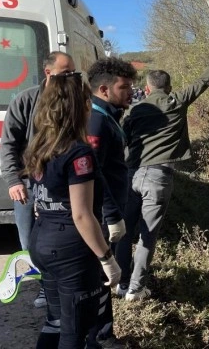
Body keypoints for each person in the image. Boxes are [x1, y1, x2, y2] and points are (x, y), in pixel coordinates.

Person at [115, 35, 209, 301]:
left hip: (132, 175)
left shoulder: (134, 111)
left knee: (125, 233)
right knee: (147, 236)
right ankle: (135, 289)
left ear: (147, 89)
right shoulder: (176, 101)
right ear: (168, 88)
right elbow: (202, 82)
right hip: (158, 177)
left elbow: (123, 141)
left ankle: (121, 283)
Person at [24, 71, 121, 348]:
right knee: (75, 331)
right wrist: (107, 258)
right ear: (79, 107)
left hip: (42, 243)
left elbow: (40, 202)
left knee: (54, 322)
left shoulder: (39, 146)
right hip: (71, 253)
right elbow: (81, 214)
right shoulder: (78, 153)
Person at [0, 52, 76, 308]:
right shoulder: (24, 101)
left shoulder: (72, 102)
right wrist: (13, 180)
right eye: (66, 73)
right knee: (30, 238)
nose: (70, 78)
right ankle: (44, 287)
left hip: (60, 184)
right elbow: (8, 144)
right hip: (28, 184)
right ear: (48, 73)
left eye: (72, 73)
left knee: (62, 237)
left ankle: (61, 286)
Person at [85, 57, 137, 348]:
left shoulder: (107, 115)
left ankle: (104, 334)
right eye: (124, 87)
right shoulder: (96, 120)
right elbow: (94, 173)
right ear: (104, 89)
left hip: (109, 212)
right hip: (102, 216)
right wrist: (110, 214)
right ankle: (100, 337)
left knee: (103, 280)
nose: (130, 92)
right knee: (100, 280)